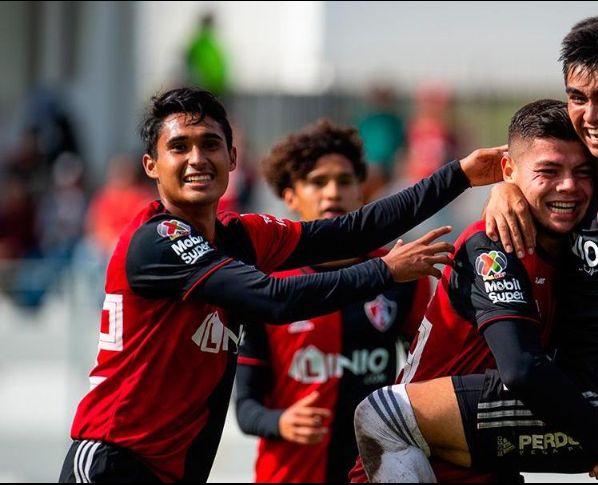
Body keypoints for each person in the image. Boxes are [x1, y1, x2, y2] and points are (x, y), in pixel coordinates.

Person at [356, 15, 598, 483]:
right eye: (578, 98)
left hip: (596, 397)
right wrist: (505, 188)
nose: (591, 115)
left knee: (382, 415)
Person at [57, 86, 507, 483]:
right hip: (115, 460)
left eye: (211, 144)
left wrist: (460, 176)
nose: (197, 159)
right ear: (152, 165)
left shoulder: (241, 235)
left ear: (233, 158)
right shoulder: (158, 239)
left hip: (172, 470)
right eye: (180, 147)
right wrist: (385, 271)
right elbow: (270, 299)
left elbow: (352, 232)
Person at [351, 100, 598, 483]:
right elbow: (522, 370)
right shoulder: (493, 245)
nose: (568, 186)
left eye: (582, 172)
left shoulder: (590, 253)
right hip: (422, 466)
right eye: (548, 171)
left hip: (490, 467)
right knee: (380, 411)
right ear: (509, 170)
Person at [235, 119, 432, 482]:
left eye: (344, 181)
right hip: (289, 474)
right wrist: (281, 421)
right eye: (317, 182)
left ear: (362, 191)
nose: (332, 193)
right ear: (290, 196)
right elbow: (246, 408)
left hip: (372, 473)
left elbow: (426, 379)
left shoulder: (400, 274)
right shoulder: (264, 283)